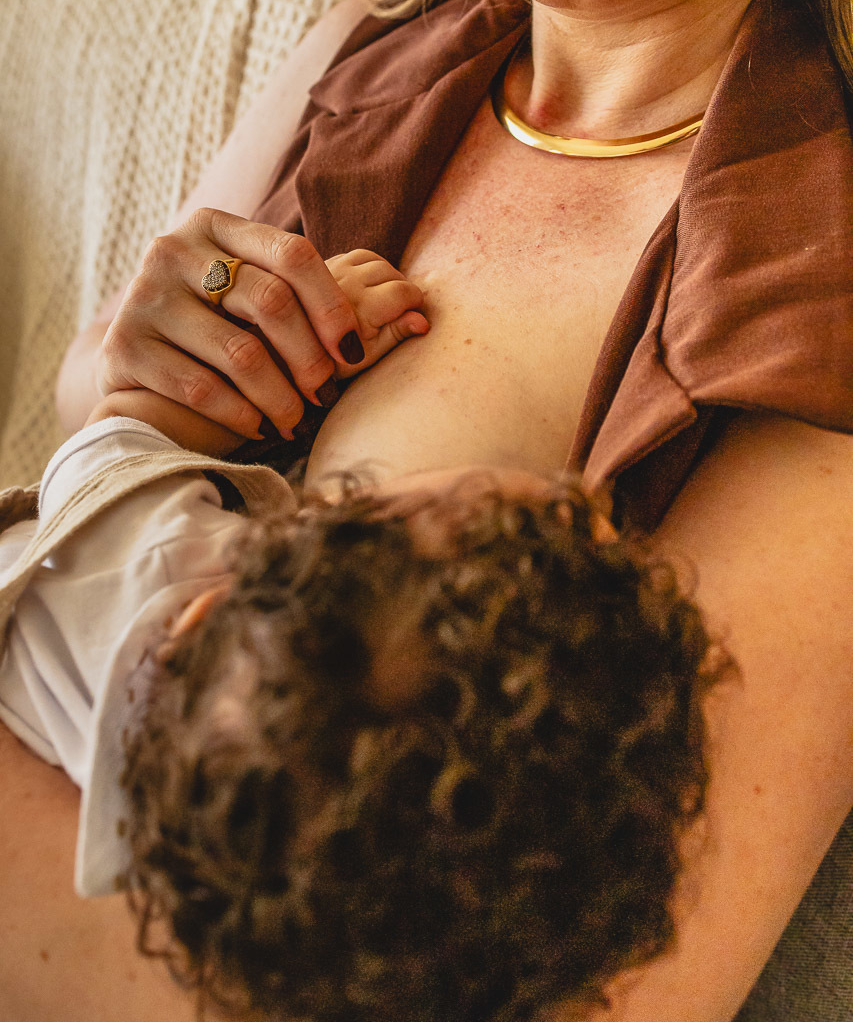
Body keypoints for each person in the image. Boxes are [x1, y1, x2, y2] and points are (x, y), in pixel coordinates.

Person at [2, 0, 852, 1020]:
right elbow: (100, 427)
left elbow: (563, 986)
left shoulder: (813, 283)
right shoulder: (378, 41)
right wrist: (126, 365)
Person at [0, 363, 735, 1022]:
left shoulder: (144, 531)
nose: (583, 509)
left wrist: (232, 392)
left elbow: (110, 430)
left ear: (201, 614)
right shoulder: (240, 880)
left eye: (511, 522)